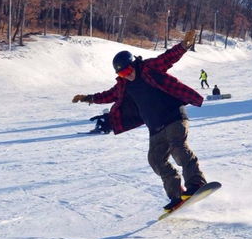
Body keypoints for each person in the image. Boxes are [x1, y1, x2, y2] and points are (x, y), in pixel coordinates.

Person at [72, 30, 207, 212]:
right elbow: (109, 95)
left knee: (178, 148)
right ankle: (177, 195)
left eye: (127, 70)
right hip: (156, 127)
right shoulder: (123, 85)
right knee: (156, 160)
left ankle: (196, 183)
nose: (126, 75)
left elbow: (168, 58)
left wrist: (184, 46)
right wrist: (88, 98)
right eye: (121, 74)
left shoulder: (148, 69)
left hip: (174, 117)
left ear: (133, 64)